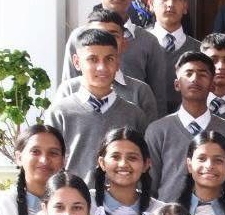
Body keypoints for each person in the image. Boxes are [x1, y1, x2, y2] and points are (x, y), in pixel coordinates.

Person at [62, 0, 170, 110]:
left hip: (134, 120)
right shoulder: (78, 37)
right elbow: (69, 89)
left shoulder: (148, 41)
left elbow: (158, 98)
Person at [46, 29, 149, 180]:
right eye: (92, 59)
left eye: (109, 59)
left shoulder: (134, 115)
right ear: (77, 62)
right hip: (73, 194)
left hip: (122, 194)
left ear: (118, 62)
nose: (102, 67)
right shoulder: (59, 113)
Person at [144, 52, 225, 202]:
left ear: (212, 85)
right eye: (188, 74)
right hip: (167, 212)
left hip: (217, 213)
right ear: (177, 84)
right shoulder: (157, 130)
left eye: (202, 74)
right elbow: (149, 185)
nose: (195, 79)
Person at [55, 10, 160, 123]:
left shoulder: (140, 91)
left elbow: (151, 132)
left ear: (124, 43)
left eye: (112, 35)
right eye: (96, 34)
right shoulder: (69, 89)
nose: (104, 40)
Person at [148, 0, 200, 112]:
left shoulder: (200, 50)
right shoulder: (139, 45)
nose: (170, 4)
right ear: (151, 4)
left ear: (185, 6)